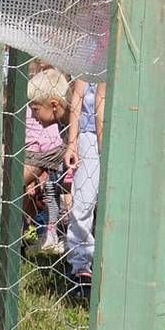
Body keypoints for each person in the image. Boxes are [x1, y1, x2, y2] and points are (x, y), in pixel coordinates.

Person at [62, 78, 101, 298]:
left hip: (122, 130)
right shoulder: (93, 49)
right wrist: (72, 142)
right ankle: (81, 266)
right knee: (84, 201)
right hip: (90, 133)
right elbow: (77, 95)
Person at [24, 62, 67, 254]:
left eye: (35, 109)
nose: (33, 116)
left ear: (54, 105)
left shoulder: (59, 136)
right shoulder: (59, 127)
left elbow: (36, 165)